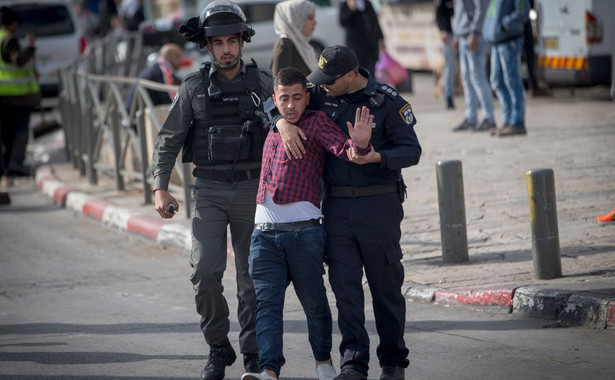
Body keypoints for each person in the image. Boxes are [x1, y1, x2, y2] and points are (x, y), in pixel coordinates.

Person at [275, 45, 421, 380]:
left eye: (330, 79)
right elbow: (281, 99)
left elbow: (411, 151)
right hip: (337, 206)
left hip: (379, 204)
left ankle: (393, 362)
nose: (321, 85)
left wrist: (375, 157)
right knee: (344, 287)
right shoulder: (320, 94)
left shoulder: (387, 101)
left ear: (351, 75)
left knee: (385, 286)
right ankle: (353, 363)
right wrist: (282, 123)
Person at [150, 1, 273, 379]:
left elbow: (289, 129)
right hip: (209, 190)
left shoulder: (263, 84)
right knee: (204, 272)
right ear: (207, 47)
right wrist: (160, 187)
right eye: (217, 43)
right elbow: (169, 139)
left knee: (252, 277)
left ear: (241, 41)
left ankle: (253, 352)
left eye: (231, 41)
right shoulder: (192, 87)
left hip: (254, 191)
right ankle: (218, 348)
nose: (225, 49)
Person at [241, 67, 373, 380]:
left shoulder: (316, 123)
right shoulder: (274, 122)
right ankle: (269, 371)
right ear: (275, 99)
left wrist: (362, 145)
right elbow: (265, 109)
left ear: (307, 97)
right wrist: (281, 122)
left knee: (314, 304)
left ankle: (323, 365)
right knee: (267, 306)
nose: (290, 105)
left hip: (304, 235)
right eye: (284, 99)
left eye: (297, 98)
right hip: (263, 236)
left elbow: (346, 150)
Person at [0, 6, 41, 187]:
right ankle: (14, 165)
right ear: (12, 23)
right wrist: (30, 47)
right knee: (19, 131)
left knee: (6, 132)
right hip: (14, 94)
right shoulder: (8, 39)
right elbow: (18, 60)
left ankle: (7, 166)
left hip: (4, 95)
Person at [483, 0, 529, 137]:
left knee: (512, 80)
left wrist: (506, 24)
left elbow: (523, 11)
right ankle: (508, 120)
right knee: (497, 81)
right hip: (497, 42)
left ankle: (517, 122)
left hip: (510, 41)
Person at [451, 0, 496, 132]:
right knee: (466, 78)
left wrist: (475, 32)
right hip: (463, 35)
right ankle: (471, 117)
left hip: (473, 36)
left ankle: (489, 117)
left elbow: (481, 8)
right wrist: (457, 34)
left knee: (478, 78)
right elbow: (459, 10)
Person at [125, 43, 183, 112]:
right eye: (177, 57)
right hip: (138, 117)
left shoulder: (157, 66)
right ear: (166, 56)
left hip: (136, 112)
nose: (181, 60)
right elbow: (168, 96)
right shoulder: (163, 69)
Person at [270, 0, 318, 77]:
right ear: (294, 19)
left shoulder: (302, 44)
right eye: (310, 18)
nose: (315, 22)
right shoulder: (285, 45)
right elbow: (278, 83)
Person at [339, 0, 384, 77]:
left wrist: (381, 38)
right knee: (358, 70)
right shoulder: (345, 5)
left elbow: (374, 22)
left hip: (370, 45)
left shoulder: (367, 4)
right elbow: (343, 22)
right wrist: (352, 9)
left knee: (371, 70)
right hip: (356, 45)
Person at [435, 0, 457, 109]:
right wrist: (443, 30)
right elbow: (438, 14)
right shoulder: (443, 3)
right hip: (449, 35)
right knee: (450, 67)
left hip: (462, 34)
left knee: (469, 70)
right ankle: (449, 96)